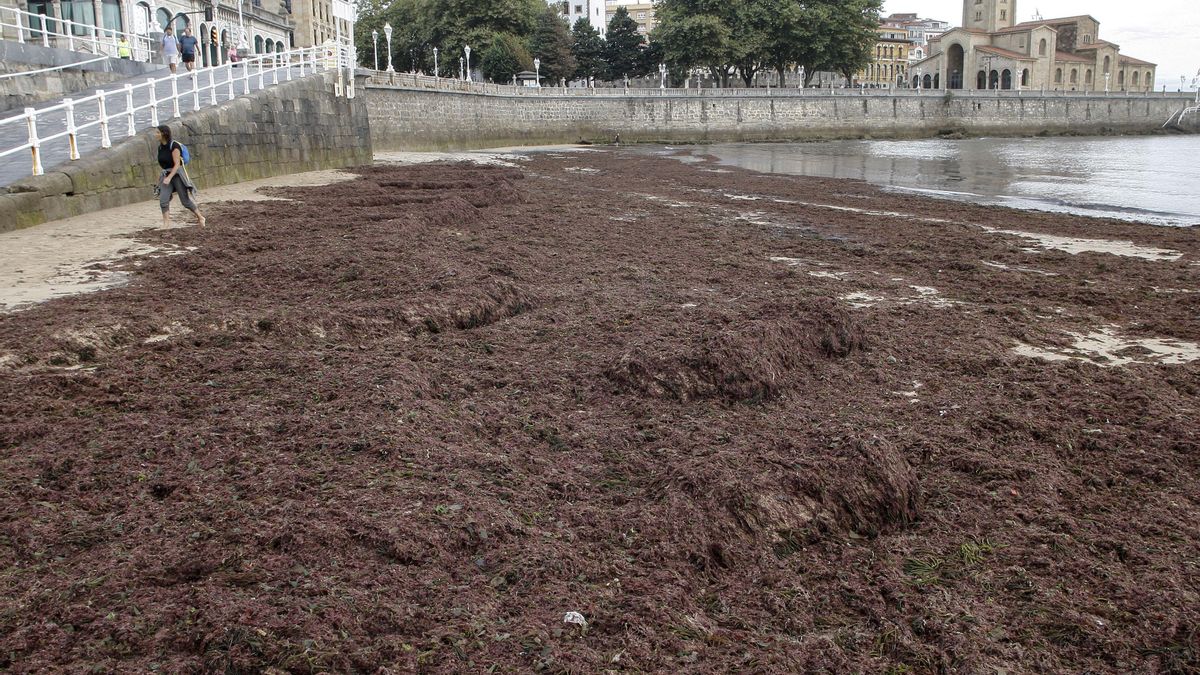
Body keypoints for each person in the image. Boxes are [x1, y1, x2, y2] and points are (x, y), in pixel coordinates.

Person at [154, 125, 204, 227]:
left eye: (157, 132)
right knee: (163, 200)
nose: (156, 135)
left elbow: (177, 165)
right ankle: (166, 224)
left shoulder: (174, 146)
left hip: (177, 175)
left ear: (164, 134)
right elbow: (164, 164)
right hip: (166, 174)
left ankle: (200, 217)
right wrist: (163, 177)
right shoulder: (160, 147)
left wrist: (169, 178)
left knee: (185, 201)